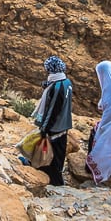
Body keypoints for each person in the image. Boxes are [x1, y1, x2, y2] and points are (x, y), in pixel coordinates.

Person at [32, 55, 73, 185]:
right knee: (59, 155)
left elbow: (53, 111)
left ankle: (56, 182)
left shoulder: (57, 87)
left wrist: (45, 129)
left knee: (51, 155)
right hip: (64, 125)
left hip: (55, 127)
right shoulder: (66, 82)